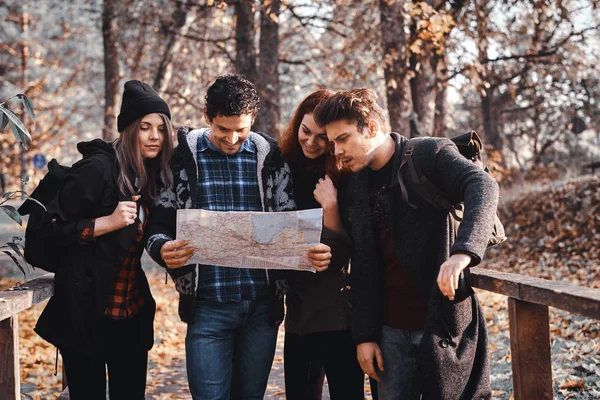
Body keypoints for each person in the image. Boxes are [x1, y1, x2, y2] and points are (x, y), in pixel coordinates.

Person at [145, 74, 333, 400]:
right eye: (222, 130)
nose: (232, 139)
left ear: (253, 120)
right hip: (207, 307)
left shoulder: (271, 157)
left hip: (261, 309)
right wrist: (162, 248)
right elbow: (157, 223)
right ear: (207, 116)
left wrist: (309, 252)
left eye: (241, 129)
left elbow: (290, 223)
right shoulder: (181, 158)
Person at [313, 88, 499, 400]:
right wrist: (365, 335)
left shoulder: (428, 154)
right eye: (332, 142)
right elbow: (361, 265)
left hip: (443, 325)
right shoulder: (354, 185)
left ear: (371, 128)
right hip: (388, 336)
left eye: (342, 139)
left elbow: (482, 184)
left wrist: (463, 253)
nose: (336, 151)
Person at [34, 80, 174, 399]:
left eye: (161, 128)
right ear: (128, 130)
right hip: (86, 316)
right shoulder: (96, 169)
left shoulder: (148, 177)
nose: (155, 136)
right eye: (145, 127)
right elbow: (52, 228)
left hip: (130, 316)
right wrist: (106, 222)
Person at [279, 89, 365, 400]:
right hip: (300, 311)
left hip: (339, 310)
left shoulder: (345, 172)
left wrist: (330, 208)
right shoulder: (281, 167)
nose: (312, 142)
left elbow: (343, 251)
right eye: (305, 131)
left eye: (321, 137)